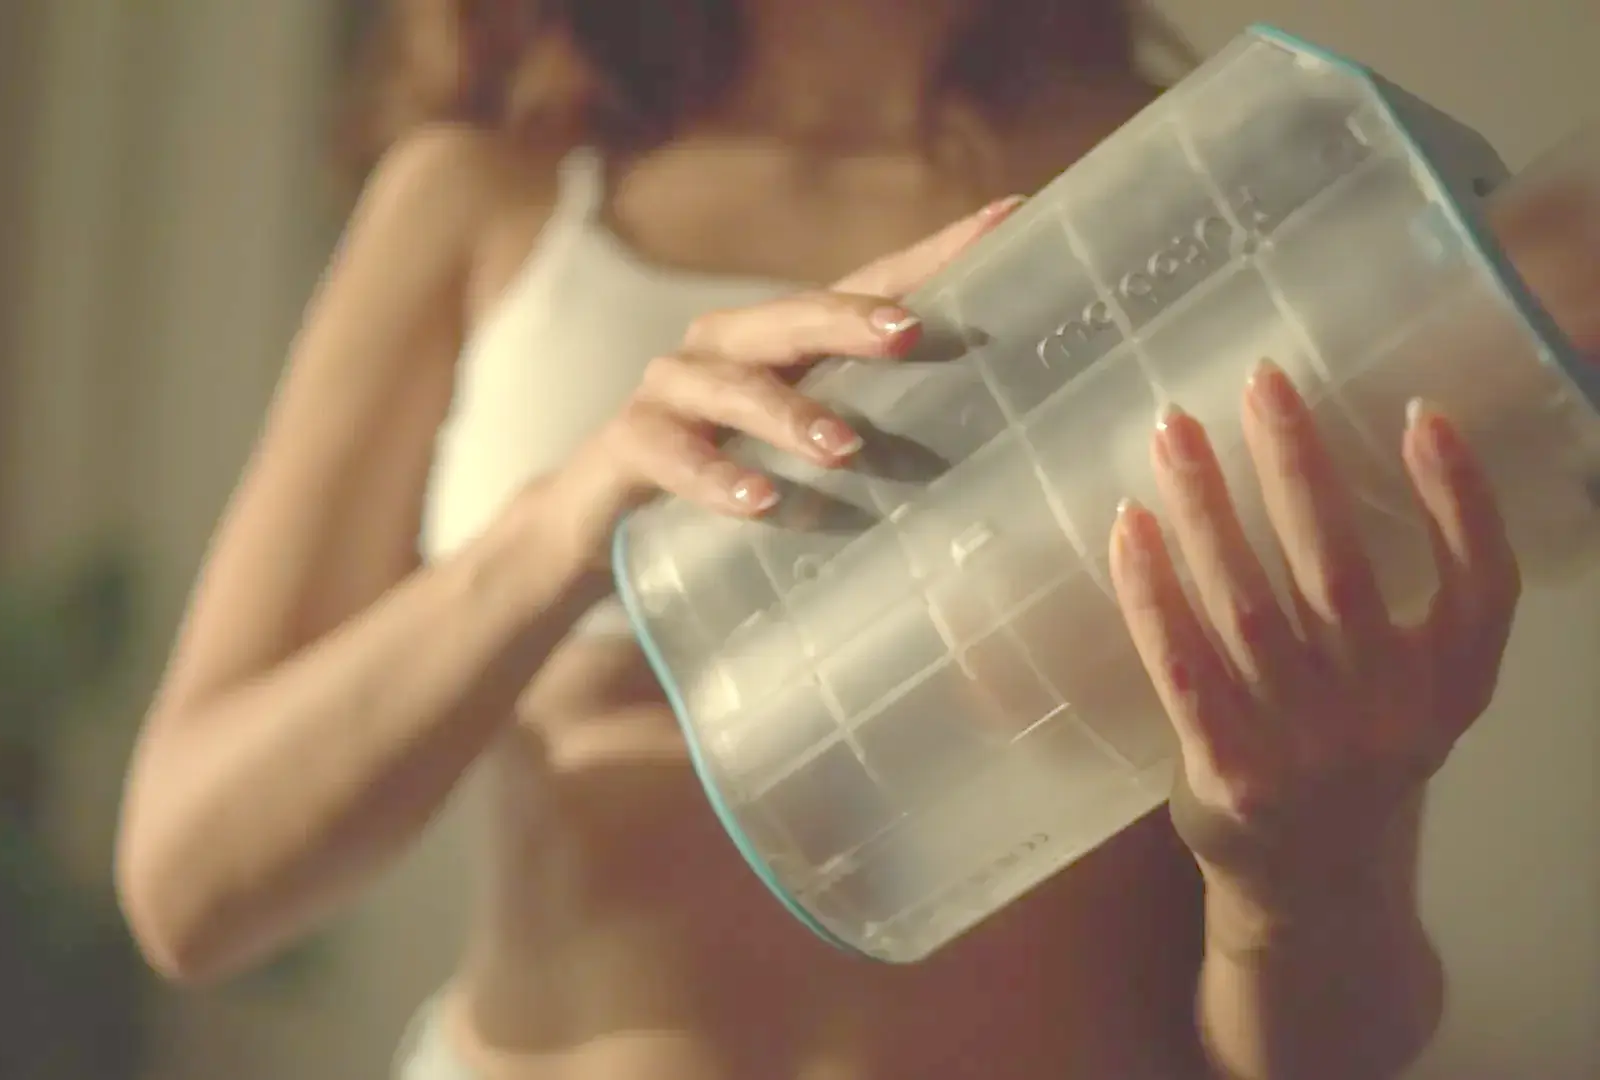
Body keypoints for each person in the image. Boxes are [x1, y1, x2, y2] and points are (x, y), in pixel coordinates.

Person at [111, 2, 1559, 1076]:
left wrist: (1297, 873)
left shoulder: (1212, 190)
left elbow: (1325, 1047)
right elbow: (189, 885)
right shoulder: (484, 199)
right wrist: (569, 518)